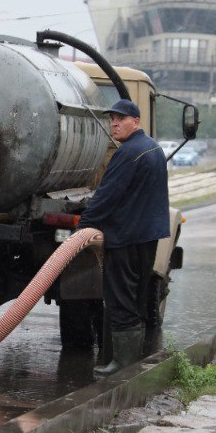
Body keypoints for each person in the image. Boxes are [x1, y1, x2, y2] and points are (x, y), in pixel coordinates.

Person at [78, 98, 170, 376]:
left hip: (126, 238)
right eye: (112, 119)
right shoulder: (153, 148)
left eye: (121, 118)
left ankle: (123, 364)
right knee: (138, 297)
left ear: (136, 122)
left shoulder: (128, 152)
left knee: (120, 298)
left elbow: (107, 195)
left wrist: (84, 226)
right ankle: (129, 361)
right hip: (146, 237)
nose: (114, 123)